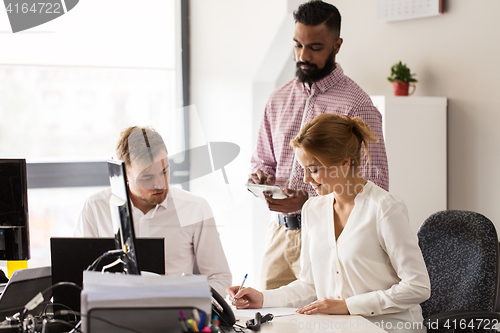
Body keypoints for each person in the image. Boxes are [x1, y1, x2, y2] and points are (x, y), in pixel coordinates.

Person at [232, 114, 430, 332]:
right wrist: (262, 298)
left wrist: (348, 306)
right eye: (303, 169)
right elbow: (310, 284)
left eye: (314, 170)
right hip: (339, 326)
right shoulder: (313, 209)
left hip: (387, 326)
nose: (306, 180)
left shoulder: (384, 208)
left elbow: (417, 287)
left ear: (344, 163)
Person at [248, 0, 389, 290]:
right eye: (298, 45)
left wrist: (311, 202)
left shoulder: (357, 104)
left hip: (331, 237)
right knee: (266, 320)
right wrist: (260, 178)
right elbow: (263, 160)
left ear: (337, 45)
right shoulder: (277, 99)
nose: (303, 55)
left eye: (315, 47)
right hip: (279, 235)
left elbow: (375, 185)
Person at [74, 126, 232, 296]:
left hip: (176, 315)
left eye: (165, 171)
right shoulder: (95, 207)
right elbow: (77, 277)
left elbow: (219, 278)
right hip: (111, 311)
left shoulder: (195, 208)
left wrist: (190, 305)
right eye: (147, 177)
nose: (160, 184)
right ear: (125, 175)